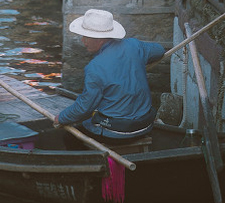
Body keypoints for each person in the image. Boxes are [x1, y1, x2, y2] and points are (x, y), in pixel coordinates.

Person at [54, 9, 165, 141]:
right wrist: (137, 60)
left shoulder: (94, 68)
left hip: (118, 130)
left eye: (87, 37)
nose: (83, 41)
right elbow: (159, 51)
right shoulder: (134, 46)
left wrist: (61, 118)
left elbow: (84, 108)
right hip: (145, 123)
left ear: (101, 40)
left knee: (70, 137)